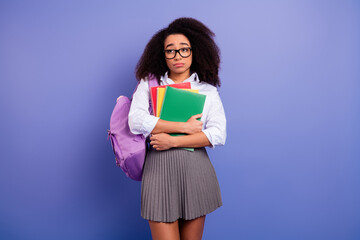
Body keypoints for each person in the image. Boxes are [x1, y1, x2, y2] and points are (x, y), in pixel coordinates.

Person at [128, 17, 226, 240]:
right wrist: (184, 127)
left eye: (184, 50)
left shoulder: (207, 90)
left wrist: (173, 140)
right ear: (162, 55)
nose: (177, 56)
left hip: (196, 171)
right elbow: (135, 120)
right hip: (158, 171)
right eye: (170, 51)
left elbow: (218, 134)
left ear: (195, 51)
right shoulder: (149, 82)